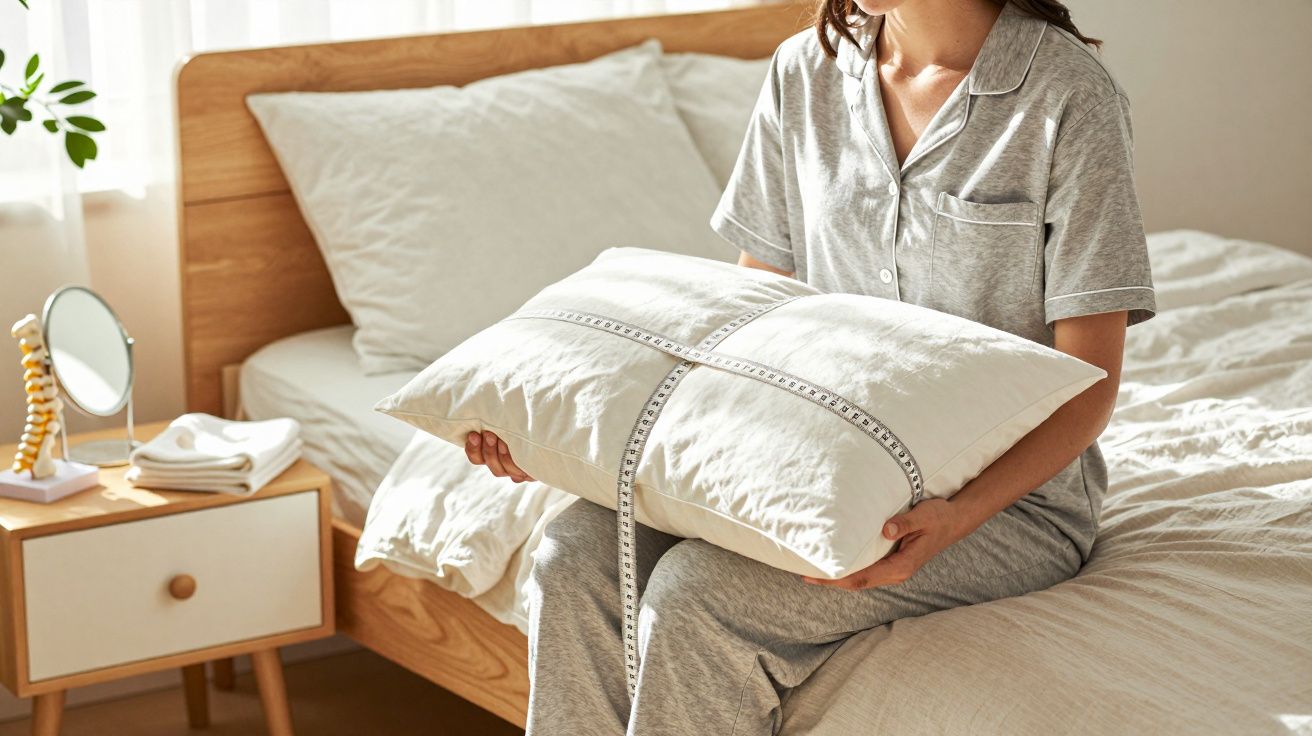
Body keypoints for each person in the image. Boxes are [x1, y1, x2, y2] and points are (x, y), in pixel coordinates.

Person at [467, 0, 1156, 733]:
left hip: (1013, 506)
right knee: (572, 556)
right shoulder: (806, 72)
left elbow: (1090, 388)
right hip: (812, 467)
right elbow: (753, 315)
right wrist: (579, 446)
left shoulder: (1067, 94)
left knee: (699, 595)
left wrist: (953, 523)